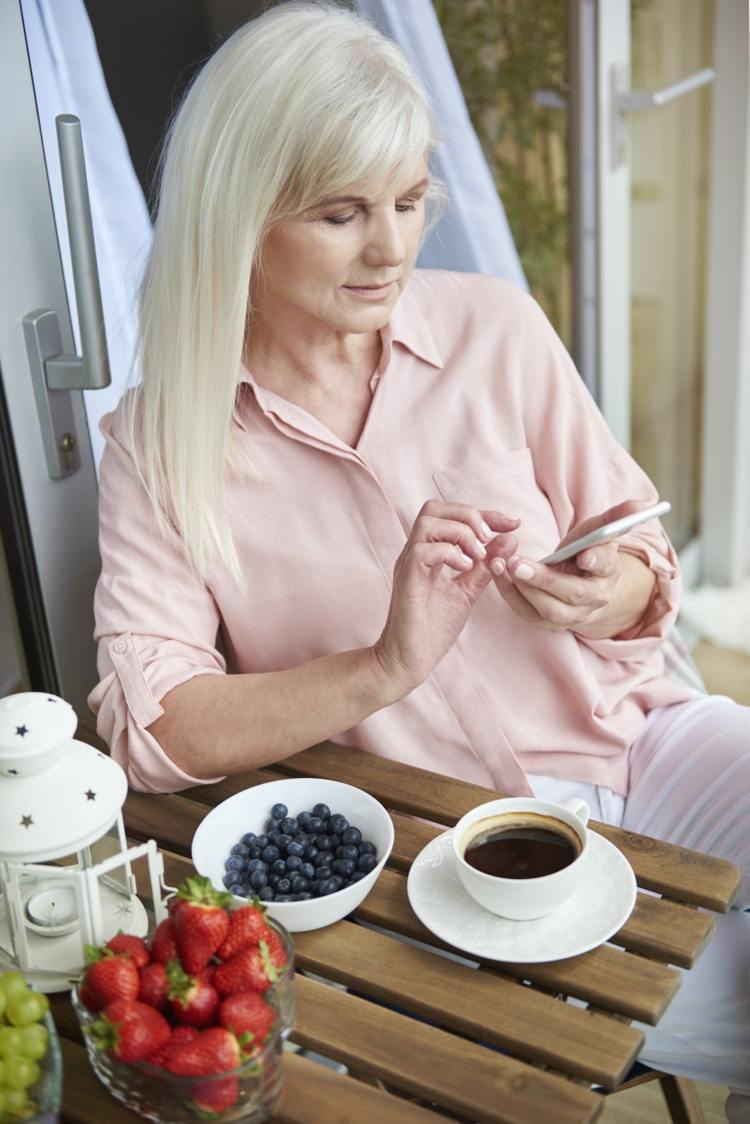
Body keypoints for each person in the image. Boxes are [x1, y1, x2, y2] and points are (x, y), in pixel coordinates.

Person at [88, 2, 750, 1117]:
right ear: (240, 217)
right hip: (450, 858)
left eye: (408, 200)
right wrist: (380, 668)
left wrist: (609, 589)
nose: (395, 246)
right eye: (345, 213)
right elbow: (153, 731)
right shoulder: (160, 444)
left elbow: (636, 538)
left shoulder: (496, 327)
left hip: (639, 750)